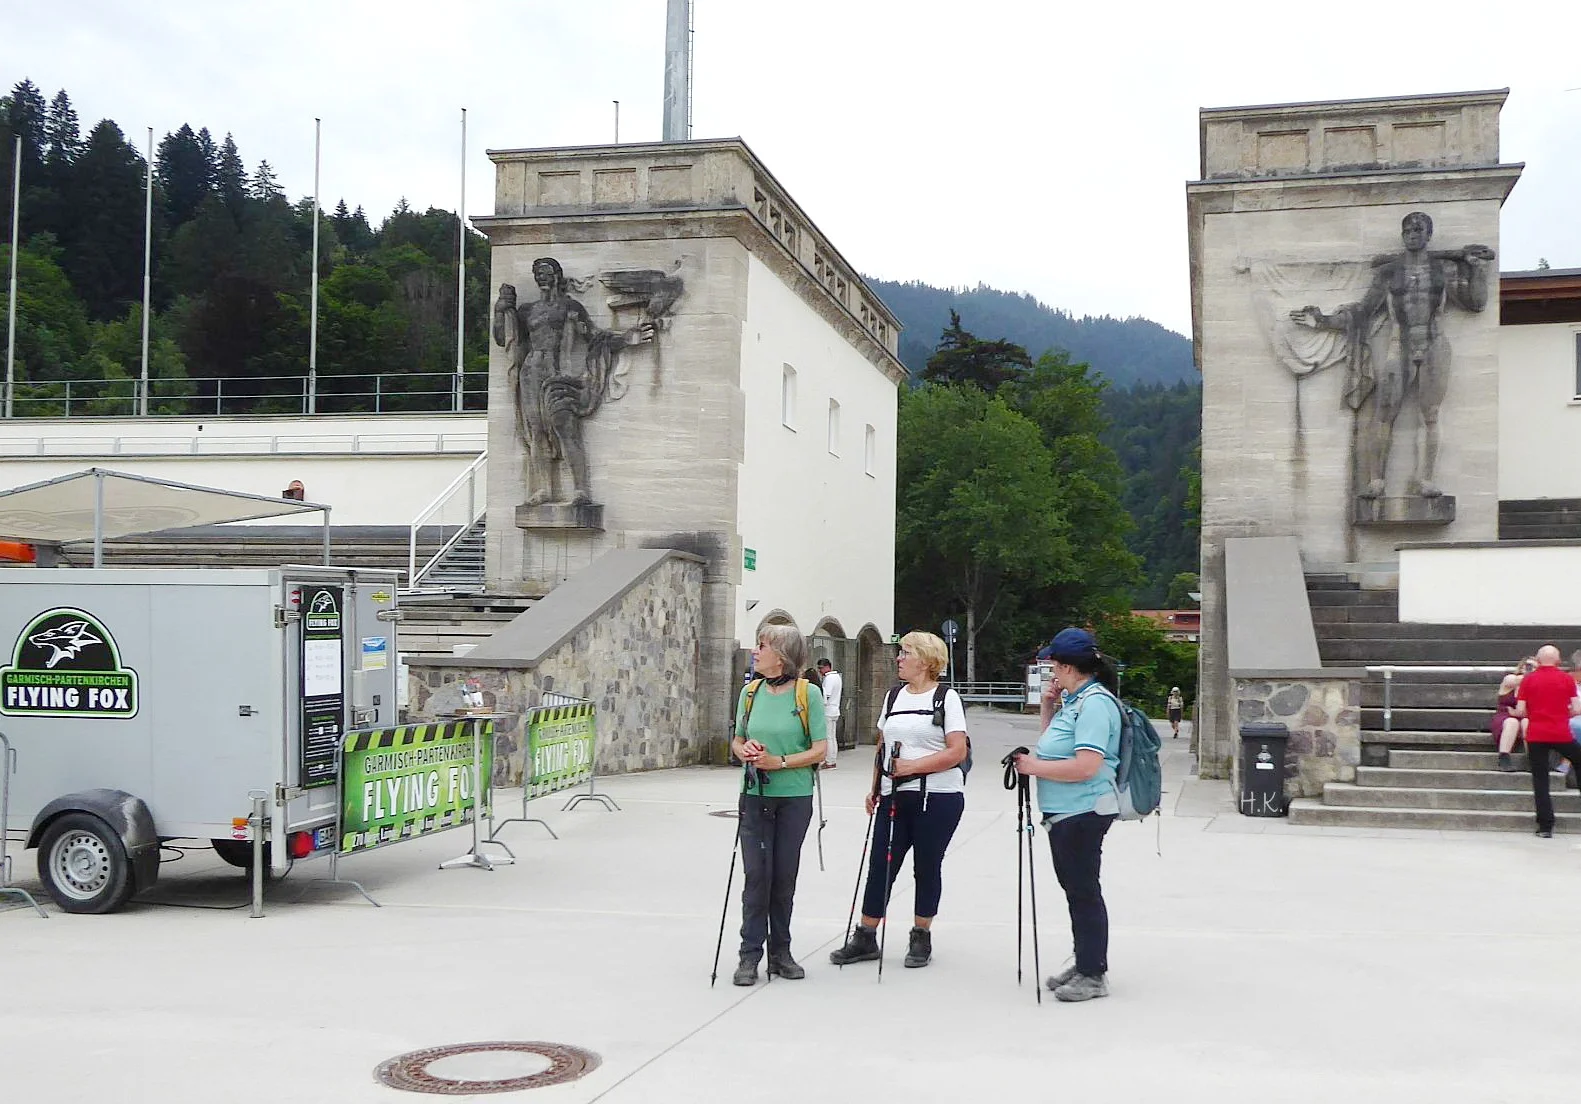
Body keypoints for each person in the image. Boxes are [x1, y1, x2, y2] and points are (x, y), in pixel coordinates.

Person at [1290, 212, 1493, 501]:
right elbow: (1364, 310)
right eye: (1407, 229)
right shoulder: (1389, 272)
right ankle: (1376, 480)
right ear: (1402, 235)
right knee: (1384, 412)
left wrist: (1477, 271)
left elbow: (1476, 302)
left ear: (1428, 235)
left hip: (1434, 343)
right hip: (1400, 344)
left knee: (1431, 414)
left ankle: (1426, 479)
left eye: (1418, 229)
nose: (1412, 233)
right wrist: (1323, 320)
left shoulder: (1442, 270)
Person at [829, 631, 967, 970]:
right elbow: (882, 745)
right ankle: (865, 936)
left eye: (905, 653)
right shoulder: (893, 697)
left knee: (926, 866)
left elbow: (957, 751)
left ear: (924, 659)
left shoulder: (946, 698)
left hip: (938, 796)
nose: (899, 659)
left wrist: (913, 766)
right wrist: (875, 787)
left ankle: (921, 936)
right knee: (881, 865)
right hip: (894, 795)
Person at [1013, 627, 1122, 1003]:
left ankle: (1093, 974)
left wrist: (1031, 768)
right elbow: (1052, 750)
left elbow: (1085, 766)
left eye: (1053, 666)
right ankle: (1086, 963)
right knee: (1076, 890)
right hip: (1067, 813)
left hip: (1083, 810)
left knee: (1084, 891)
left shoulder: (1094, 704)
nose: (1051, 673)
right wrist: (1047, 707)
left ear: (1068, 666)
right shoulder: (1076, 701)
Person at [727, 623, 827, 985]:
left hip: (794, 797)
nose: (755, 651)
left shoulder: (808, 694)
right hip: (754, 795)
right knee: (756, 876)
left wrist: (780, 762)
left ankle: (781, 952)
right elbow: (738, 740)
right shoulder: (749, 693)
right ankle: (749, 955)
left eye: (762, 646)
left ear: (782, 655)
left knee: (783, 877)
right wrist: (746, 751)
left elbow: (820, 749)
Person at [1512, 645, 1581, 838]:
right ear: (1558, 661)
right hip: (1561, 733)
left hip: (1537, 734)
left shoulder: (1529, 680)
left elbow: (1521, 711)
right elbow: (1576, 709)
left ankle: (1545, 826)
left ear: (1539, 660)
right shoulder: (1566, 679)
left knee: (1540, 780)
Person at [1492, 658, 1535, 772]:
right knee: (1512, 722)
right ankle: (1504, 758)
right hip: (1505, 717)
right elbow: (1514, 681)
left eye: (1534, 667)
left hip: (1526, 717)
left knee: (1527, 722)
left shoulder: (1536, 686)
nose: (1531, 670)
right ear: (1521, 667)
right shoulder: (1510, 679)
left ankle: (1532, 759)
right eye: (1528, 666)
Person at [817, 658, 842, 768]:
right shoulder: (837, 677)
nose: (820, 671)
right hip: (835, 709)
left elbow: (826, 695)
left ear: (827, 667)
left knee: (828, 737)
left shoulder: (829, 678)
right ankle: (832, 759)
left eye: (821, 668)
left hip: (828, 710)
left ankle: (829, 761)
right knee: (832, 736)